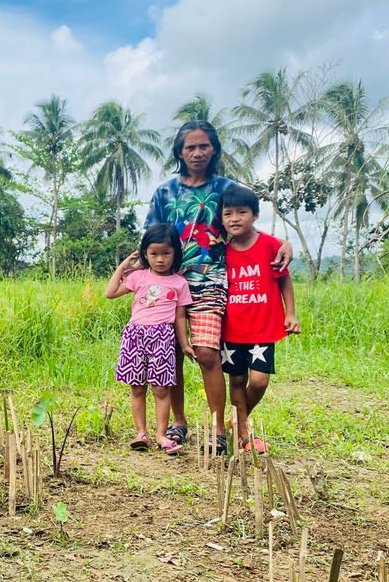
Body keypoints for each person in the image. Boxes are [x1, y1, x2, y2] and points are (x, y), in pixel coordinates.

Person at [144, 121, 292, 454]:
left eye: (204, 146)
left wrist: (285, 243)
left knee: (208, 354)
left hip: (211, 282)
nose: (197, 153)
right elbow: (149, 239)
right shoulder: (165, 192)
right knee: (171, 357)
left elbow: (247, 226)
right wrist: (134, 273)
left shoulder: (225, 188)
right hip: (168, 285)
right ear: (180, 153)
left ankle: (216, 428)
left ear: (214, 149)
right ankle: (178, 423)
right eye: (190, 147)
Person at [219, 185, 300, 452]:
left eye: (242, 212)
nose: (234, 218)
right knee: (237, 381)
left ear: (254, 215)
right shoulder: (222, 252)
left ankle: (239, 420)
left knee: (259, 381)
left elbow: (284, 280)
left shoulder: (271, 246)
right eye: (228, 213)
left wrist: (290, 313)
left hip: (263, 328)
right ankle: (244, 435)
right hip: (231, 329)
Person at [105, 224, 195, 454]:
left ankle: (161, 434)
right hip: (136, 336)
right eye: (154, 254)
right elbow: (110, 293)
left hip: (163, 338)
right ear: (145, 254)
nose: (160, 259)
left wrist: (184, 344)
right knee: (137, 388)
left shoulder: (179, 283)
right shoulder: (139, 277)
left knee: (161, 389)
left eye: (166, 253)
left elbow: (180, 316)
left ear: (175, 252)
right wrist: (124, 267)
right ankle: (141, 432)